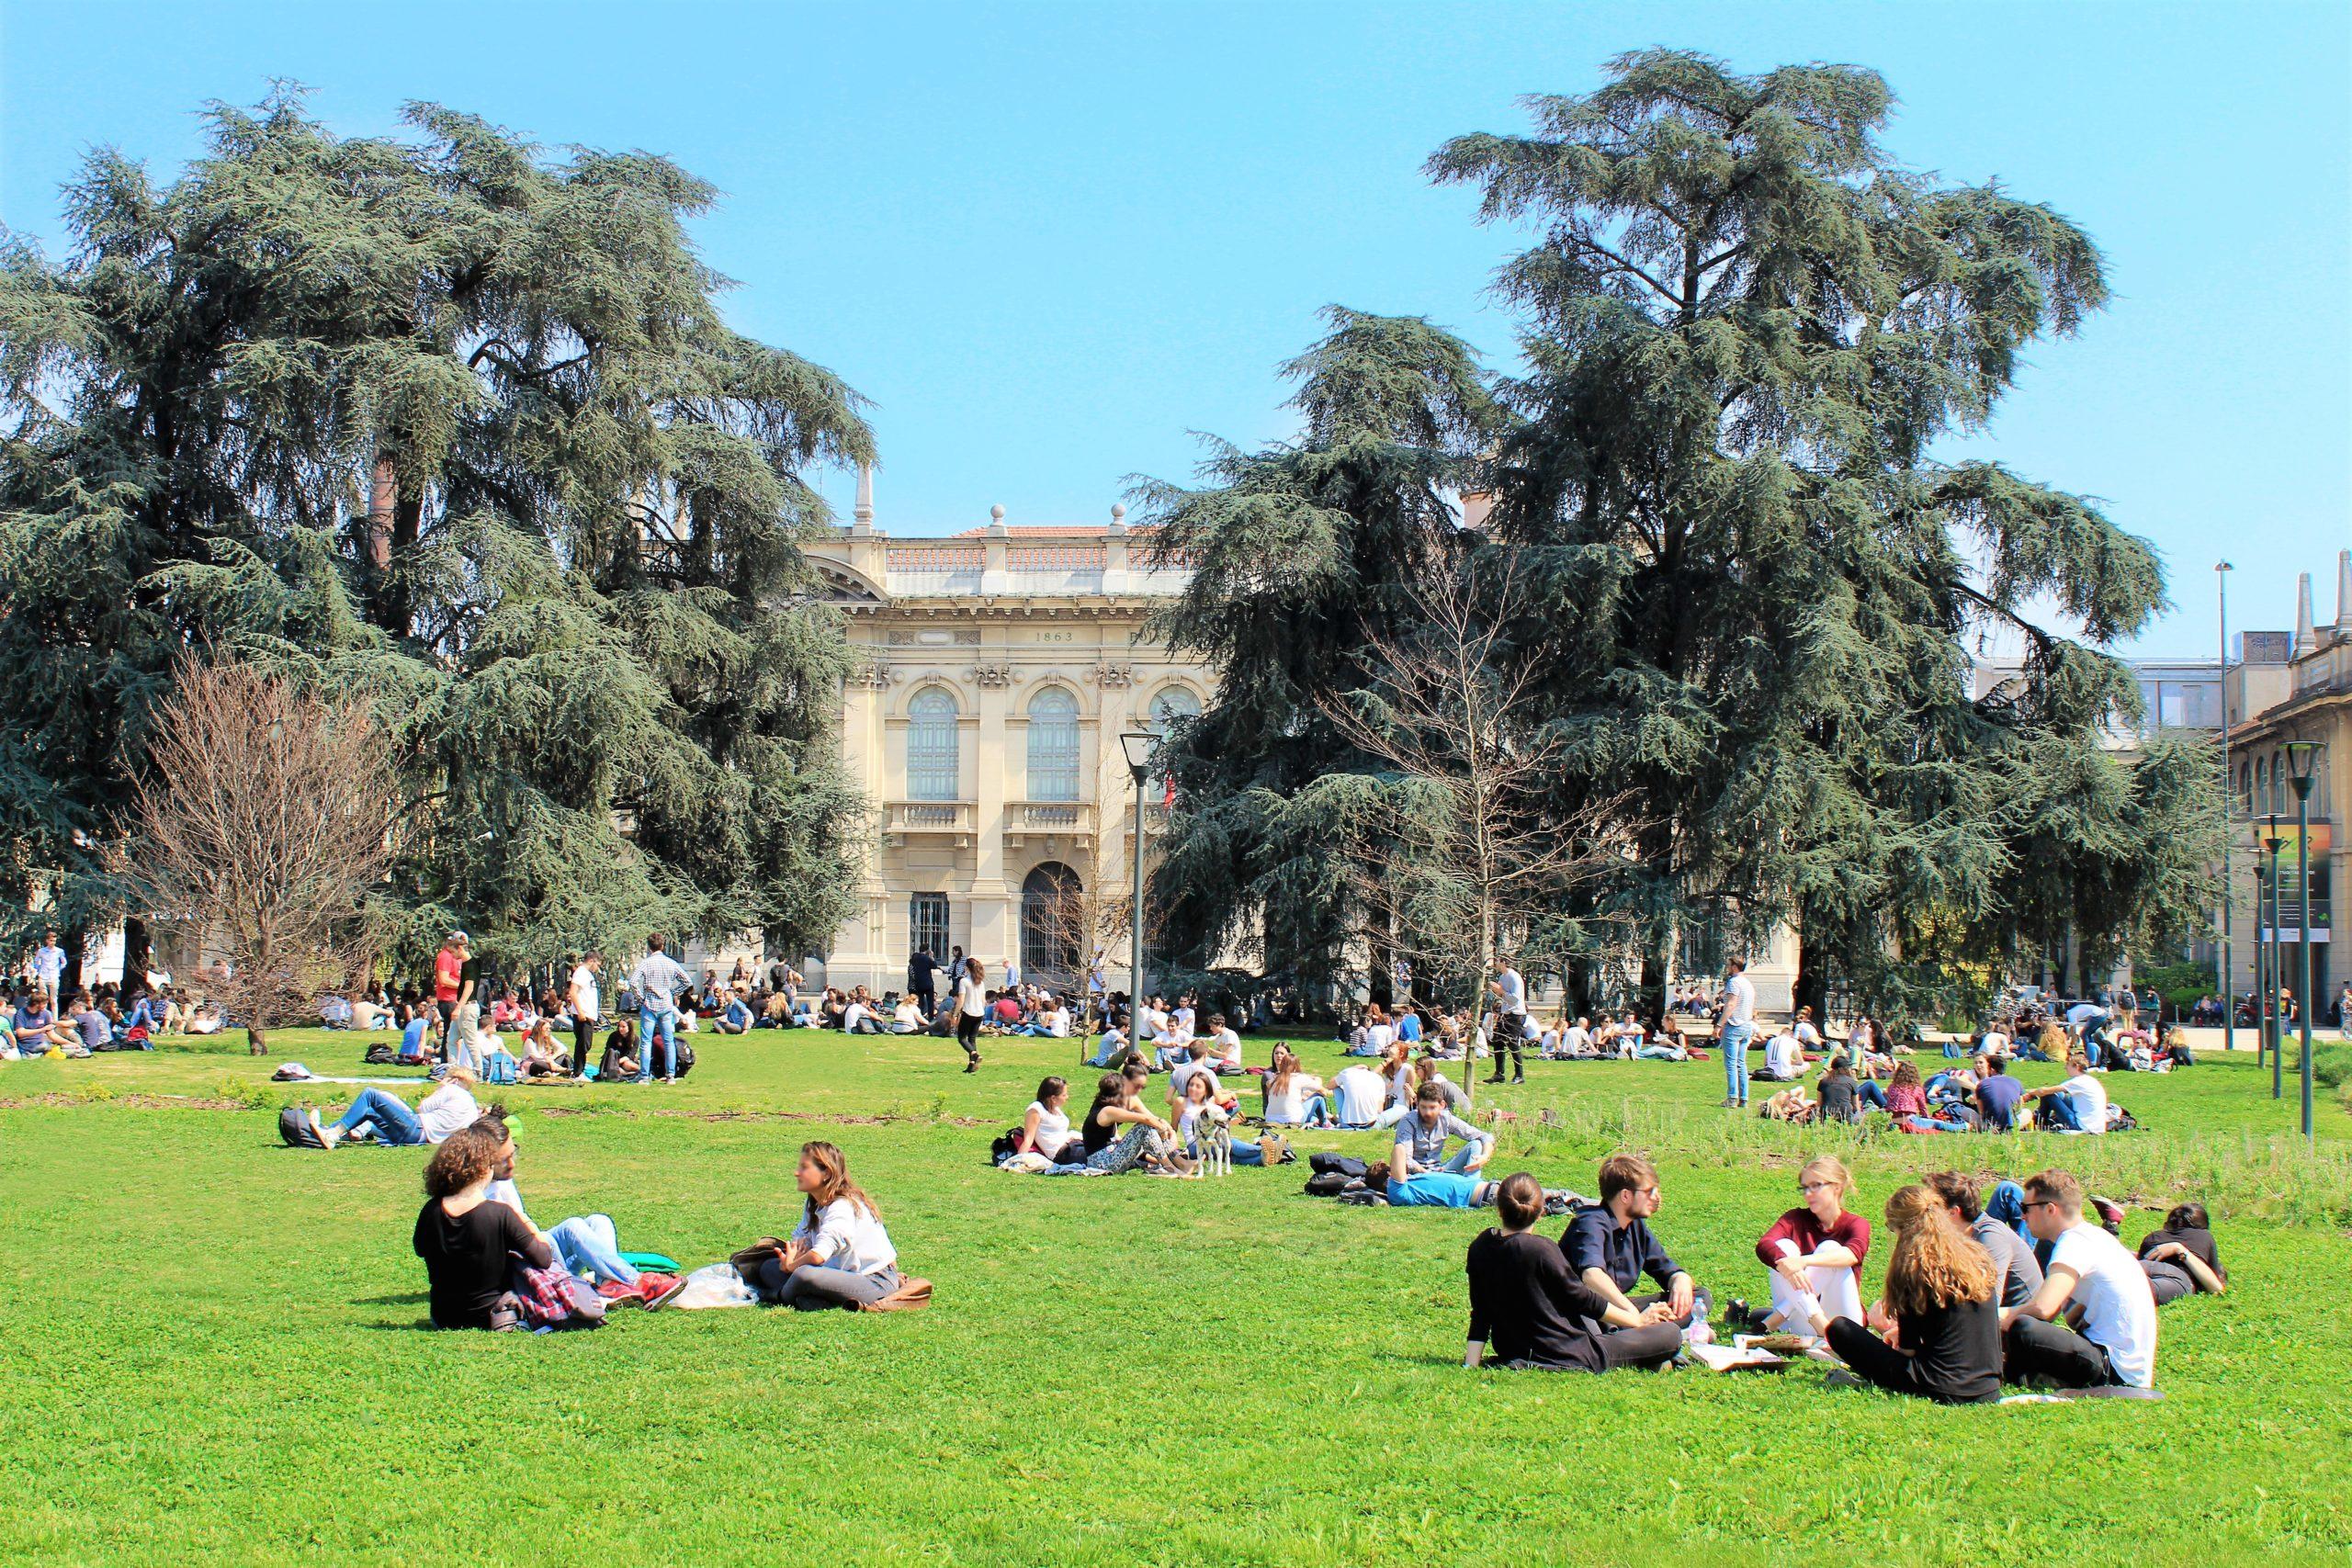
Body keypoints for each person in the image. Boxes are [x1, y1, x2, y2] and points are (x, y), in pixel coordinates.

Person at [1782, 1183, 2002, 1404]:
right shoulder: (1976, 1257)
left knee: (1840, 1329)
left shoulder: (1915, 1267)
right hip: (1988, 1388)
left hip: (1941, 1386)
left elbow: (1909, 1352)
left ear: (1901, 1228)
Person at [1465, 1173, 1681, 1373]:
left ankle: (1652, 1359)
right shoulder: (1542, 1250)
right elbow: (1583, 1299)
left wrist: (1471, 1364)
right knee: (1670, 1333)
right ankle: (1653, 1357)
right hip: (1569, 1352)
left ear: (1500, 1208)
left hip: (1513, 1349)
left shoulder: (1480, 1247)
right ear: (1541, 1212)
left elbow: (1481, 1312)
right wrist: (1638, 1321)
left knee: (1638, 1335)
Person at [476, 1111, 683, 1306]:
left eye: (514, 1154)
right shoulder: (474, 1192)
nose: (512, 1164)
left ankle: (608, 1286)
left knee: (599, 1221)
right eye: (504, 1160)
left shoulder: (501, 1180)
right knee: (568, 1229)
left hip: (543, 1257)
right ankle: (634, 1281)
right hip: (524, 1269)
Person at [2002, 1168, 2159, 1390]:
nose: (2022, 1216)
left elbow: (2044, 1308)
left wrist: (1996, 1316)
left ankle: (2007, 1376)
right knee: (2026, 1324)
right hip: (2121, 1365)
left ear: (2050, 1209)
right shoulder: (2093, 1236)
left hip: (2114, 1369)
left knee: (2024, 1327)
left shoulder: (2074, 1242)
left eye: (2025, 1208)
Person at [413, 1123, 551, 1329]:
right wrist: (528, 1224)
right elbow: (544, 1258)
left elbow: (421, 1249)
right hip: (493, 1316)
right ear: (483, 1168)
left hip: (443, 1316)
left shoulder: (430, 1211)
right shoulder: (500, 1214)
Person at [1560, 1154, 1710, 1339]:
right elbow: (1592, 1276)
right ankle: (1657, 1335)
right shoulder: (1590, 1222)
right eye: (1649, 1192)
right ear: (1625, 1195)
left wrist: (1680, 1280)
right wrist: (1634, 1315)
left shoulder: (1635, 1226)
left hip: (1618, 1310)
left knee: (1699, 1297)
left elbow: (1664, 1267)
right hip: (1586, 1312)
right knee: (1601, 1328)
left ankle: (1651, 1335)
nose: (1657, 1198)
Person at [752, 1142, 904, 1310]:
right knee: (768, 1267)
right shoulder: (815, 1203)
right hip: (834, 1273)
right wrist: (791, 1257)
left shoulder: (842, 1206)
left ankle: (776, 1296)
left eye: (804, 1167)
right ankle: (811, 1299)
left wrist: (792, 1266)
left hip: (872, 1280)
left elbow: (818, 1255)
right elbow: (800, 1239)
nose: (796, 1173)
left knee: (804, 1275)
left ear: (826, 1173)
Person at [1743, 1156, 1869, 1332]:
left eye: (1816, 1186)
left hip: (1843, 1323)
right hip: (1802, 1320)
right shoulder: (1795, 1218)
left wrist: (1803, 1262)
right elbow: (1764, 1244)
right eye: (1804, 1188)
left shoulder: (1857, 1224)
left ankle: (1776, 1318)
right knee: (1784, 1249)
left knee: (1830, 1248)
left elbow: (1852, 1254)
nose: (1808, 1194)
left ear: (1837, 1187)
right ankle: (1819, 1324)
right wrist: (1787, 1264)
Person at [1921, 1170, 2042, 1309]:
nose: (1926, 1212)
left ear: (1953, 1212)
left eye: (1931, 1207)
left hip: (2021, 1318)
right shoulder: (1957, 1236)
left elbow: (1990, 1301)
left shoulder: (1991, 1237)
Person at [1057, 1069, 1193, 1176]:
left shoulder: (1105, 1105)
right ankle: (1171, 1167)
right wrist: (1163, 1130)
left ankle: (1178, 1164)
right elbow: (1145, 1119)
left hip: (1110, 1155)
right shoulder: (1106, 1111)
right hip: (1102, 1162)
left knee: (1147, 1130)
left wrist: (1162, 1125)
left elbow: (1149, 1116)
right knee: (1143, 1128)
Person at [305, 1067, 481, 1149]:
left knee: (370, 1095)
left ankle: (333, 1135)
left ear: (454, 1080)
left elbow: (421, 1109)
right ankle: (328, 1131)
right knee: (371, 1112)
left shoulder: (451, 1090)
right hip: (420, 1139)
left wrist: (441, 1087)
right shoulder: (471, 1108)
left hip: (416, 1127)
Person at [2136, 1201, 2227, 1305]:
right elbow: (2216, 1287)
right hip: (2177, 1276)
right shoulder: (2204, 1236)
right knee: (2146, 1291)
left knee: (2124, 1280)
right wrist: (2181, 1250)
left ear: (2168, 1224)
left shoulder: (2153, 1236)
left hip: (2144, 1265)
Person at [629, 934, 691, 1083]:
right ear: (663, 946)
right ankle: (670, 1076)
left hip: (649, 1004)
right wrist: (673, 992)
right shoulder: (671, 963)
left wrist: (641, 998)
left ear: (649, 947)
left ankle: (644, 1076)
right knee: (668, 1040)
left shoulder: (646, 963)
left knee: (646, 1041)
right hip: (666, 1004)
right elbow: (687, 981)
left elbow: (632, 982)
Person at [2017, 1052, 2109, 1134]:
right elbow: (2056, 1090)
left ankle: (2040, 1123)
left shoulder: (2078, 1081)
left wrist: (2028, 1093)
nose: (2065, 1067)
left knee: (2048, 1095)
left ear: (2076, 1066)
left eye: (2068, 1065)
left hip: (2082, 1126)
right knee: (2059, 1094)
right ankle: (2041, 1122)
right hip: (2096, 1126)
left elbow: (2043, 1091)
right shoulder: (2089, 1080)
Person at [1715, 956, 1757, 1109]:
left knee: (1731, 1064)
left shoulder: (1734, 983)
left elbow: (1731, 1004)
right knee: (1741, 1063)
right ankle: (1744, 1098)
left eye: (1729, 965)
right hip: (1747, 1024)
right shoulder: (1748, 983)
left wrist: (1719, 1024)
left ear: (1734, 967)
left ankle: (1732, 1097)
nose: (1727, 967)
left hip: (1734, 1025)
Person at [1261, 1046, 1332, 1128]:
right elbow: (1323, 1091)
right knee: (1319, 1098)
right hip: (1293, 1119)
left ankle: (1317, 1121)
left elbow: (1268, 1084)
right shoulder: (1299, 1077)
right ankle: (1324, 1122)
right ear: (1296, 1066)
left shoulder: (1274, 1079)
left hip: (1270, 1119)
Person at [1020, 1076, 1082, 1164]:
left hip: (1072, 1145)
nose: (1067, 1097)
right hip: (1061, 1153)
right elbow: (1028, 1138)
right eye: (1064, 1095)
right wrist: (1018, 1160)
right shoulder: (1036, 1110)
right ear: (1053, 1098)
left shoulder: (1055, 1108)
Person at [1485, 957, 1527, 1085]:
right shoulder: (1502, 977)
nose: (1495, 965)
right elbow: (1502, 996)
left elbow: (1514, 999)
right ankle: (1499, 1074)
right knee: (1497, 1042)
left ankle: (1519, 1075)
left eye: (1496, 962)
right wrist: (1495, 990)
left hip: (1516, 1014)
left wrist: (1500, 990)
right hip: (1505, 1013)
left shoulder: (1514, 977)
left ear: (1503, 963)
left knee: (1513, 1044)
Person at [1973, 1054, 2025, 1131]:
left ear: (1992, 1070)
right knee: (2027, 1112)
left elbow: (1981, 1112)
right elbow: (2019, 1107)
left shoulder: (1982, 1084)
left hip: (1990, 1127)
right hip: (2011, 1126)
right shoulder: (2016, 1082)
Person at [953, 957, 988, 1074]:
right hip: (979, 1013)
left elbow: (961, 999)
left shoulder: (964, 981)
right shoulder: (980, 982)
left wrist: (956, 1013)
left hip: (969, 1012)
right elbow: (983, 1000)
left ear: (967, 968)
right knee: (972, 1038)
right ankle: (972, 1065)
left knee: (961, 1038)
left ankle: (974, 1054)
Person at [1330, 1061, 1387, 1129]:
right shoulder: (1379, 1079)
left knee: (1336, 1088)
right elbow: (1380, 1110)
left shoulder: (1347, 1073)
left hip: (1348, 1124)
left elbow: (1330, 1085)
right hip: (1371, 1124)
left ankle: (1340, 1118)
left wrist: (1350, 1068)